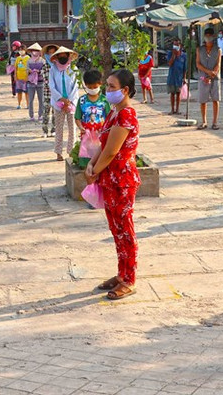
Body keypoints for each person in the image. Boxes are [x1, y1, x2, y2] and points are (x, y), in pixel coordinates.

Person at [85, 69, 141, 300]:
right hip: (110, 179)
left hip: (123, 181)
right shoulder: (114, 113)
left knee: (125, 230)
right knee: (116, 229)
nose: (107, 90)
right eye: (107, 85)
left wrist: (95, 171)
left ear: (125, 90)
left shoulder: (127, 115)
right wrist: (91, 164)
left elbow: (112, 151)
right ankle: (121, 274)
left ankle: (130, 279)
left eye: (111, 86)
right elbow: (102, 145)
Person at [75, 69, 111, 167]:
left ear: (100, 84)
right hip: (87, 134)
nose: (92, 89)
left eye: (95, 87)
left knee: (100, 158)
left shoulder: (104, 100)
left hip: (101, 134)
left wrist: (105, 129)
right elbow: (77, 117)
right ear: (85, 85)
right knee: (86, 156)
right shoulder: (82, 100)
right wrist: (81, 127)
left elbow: (109, 117)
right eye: (89, 87)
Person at [49, 46, 79, 161]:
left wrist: (69, 101)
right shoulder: (53, 70)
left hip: (71, 103)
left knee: (72, 129)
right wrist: (61, 99)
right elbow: (51, 86)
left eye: (64, 56)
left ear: (68, 56)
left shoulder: (73, 69)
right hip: (58, 103)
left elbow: (76, 86)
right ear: (56, 57)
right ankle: (58, 152)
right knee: (59, 128)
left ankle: (71, 151)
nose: (62, 58)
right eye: (60, 56)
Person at [196, 27, 222, 130]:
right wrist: (207, 73)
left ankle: (215, 122)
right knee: (203, 100)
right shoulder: (199, 49)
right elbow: (198, 64)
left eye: (210, 36)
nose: (208, 38)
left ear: (213, 36)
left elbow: (218, 64)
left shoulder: (218, 50)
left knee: (215, 99)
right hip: (203, 77)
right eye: (206, 36)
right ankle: (204, 121)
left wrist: (212, 74)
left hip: (215, 77)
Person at [41, 44, 58, 137]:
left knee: (55, 112)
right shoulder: (45, 65)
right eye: (50, 52)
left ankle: (54, 130)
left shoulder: (59, 65)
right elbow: (45, 79)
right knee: (46, 112)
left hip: (57, 94)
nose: (51, 54)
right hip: (47, 92)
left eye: (53, 52)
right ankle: (45, 130)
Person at [166, 39, 187, 115]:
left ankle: (177, 109)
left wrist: (184, 78)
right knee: (172, 93)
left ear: (180, 46)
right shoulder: (170, 53)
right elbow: (169, 64)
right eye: (174, 45)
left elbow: (185, 68)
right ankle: (172, 109)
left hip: (179, 77)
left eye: (177, 45)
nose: (176, 46)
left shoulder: (184, 56)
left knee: (178, 93)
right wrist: (174, 55)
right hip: (172, 77)